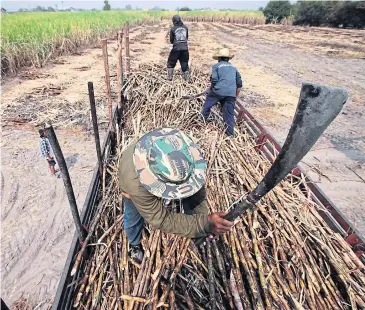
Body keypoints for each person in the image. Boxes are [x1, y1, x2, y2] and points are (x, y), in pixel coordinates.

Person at [119, 128, 233, 263]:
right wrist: (205, 224)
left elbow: (196, 193)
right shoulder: (134, 183)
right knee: (133, 214)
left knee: (190, 196)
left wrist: (203, 224)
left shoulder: (185, 151)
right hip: (133, 182)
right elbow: (160, 219)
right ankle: (134, 244)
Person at [201, 48, 243, 136]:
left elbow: (215, 79)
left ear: (219, 58)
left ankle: (201, 123)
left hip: (218, 92)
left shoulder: (216, 66)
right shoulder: (233, 68)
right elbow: (239, 84)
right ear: (228, 59)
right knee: (229, 116)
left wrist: (211, 89)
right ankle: (230, 136)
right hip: (230, 94)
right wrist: (234, 97)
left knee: (207, 106)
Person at [167, 15, 189, 81]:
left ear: (174, 21)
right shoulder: (185, 27)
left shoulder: (173, 28)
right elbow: (186, 38)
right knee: (184, 63)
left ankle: (170, 78)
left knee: (171, 63)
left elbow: (171, 40)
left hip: (176, 49)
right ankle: (187, 79)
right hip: (185, 49)